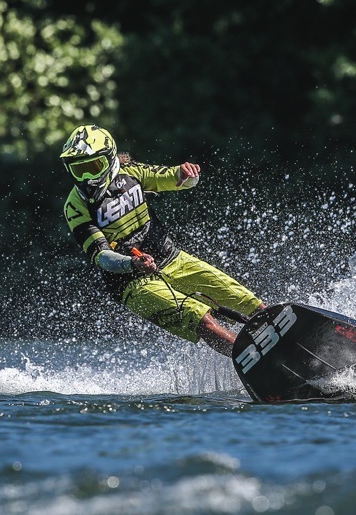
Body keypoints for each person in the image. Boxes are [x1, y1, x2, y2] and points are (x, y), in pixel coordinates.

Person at [59, 124, 263, 355]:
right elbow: (102, 256)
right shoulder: (75, 206)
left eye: (93, 167)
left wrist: (187, 174)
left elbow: (176, 178)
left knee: (249, 303)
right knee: (202, 319)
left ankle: (286, 339)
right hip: (132, 284)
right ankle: (255, 359)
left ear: (110, 159)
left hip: (172, 258)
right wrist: (132, 263)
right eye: (79, 171)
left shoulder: (132, 172)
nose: (87, 178)